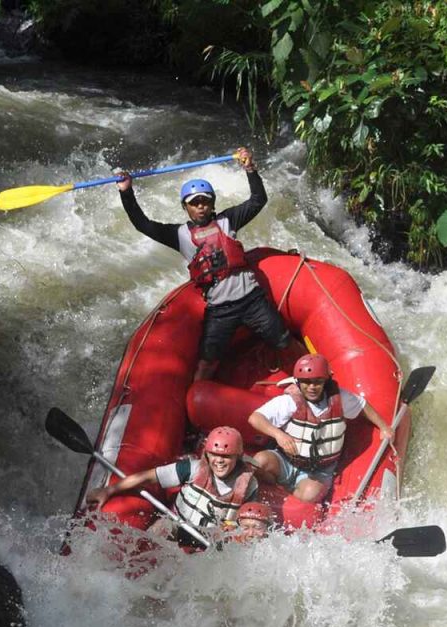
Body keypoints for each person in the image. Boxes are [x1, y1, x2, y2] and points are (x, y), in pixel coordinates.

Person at [114, 147, 293, 380]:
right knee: (206, 364)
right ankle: (199, 402)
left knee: (284, 341)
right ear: (185, 207)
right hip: (220, 310)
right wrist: (127, 192)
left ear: (212, 204)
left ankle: (310, 377)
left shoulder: (228, 220)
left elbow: (259, 199)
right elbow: (142, 224)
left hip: (252, 301)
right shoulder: (179, 235)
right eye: (194, 203)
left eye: (205, 202)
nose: (200, 206)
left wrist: (249, 168)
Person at [247, 353, 394, 505]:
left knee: (310, 496)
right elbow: (255, 418)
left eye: (317, 382)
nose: (311, 387)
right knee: (259, 461)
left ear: (325, 381)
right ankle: (277, 488)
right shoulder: (288, 402)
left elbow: (363, 406)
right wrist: (279, 435)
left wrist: (383, 427)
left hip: (320, 469)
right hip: (286, 460)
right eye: (306, 382)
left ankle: (294, 499)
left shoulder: (340, 398)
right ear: (298, 381)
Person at [85, 426, 257, 544]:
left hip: (212, 537)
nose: (219, 461)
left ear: (238, 456)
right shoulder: (193, 468)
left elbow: (245, 521)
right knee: (163, 527)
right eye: (214, 454)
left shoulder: (248, 485)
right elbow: (147, 477)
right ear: (207, 453)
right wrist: (109, 490)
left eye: (227, 456)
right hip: (177, 523)